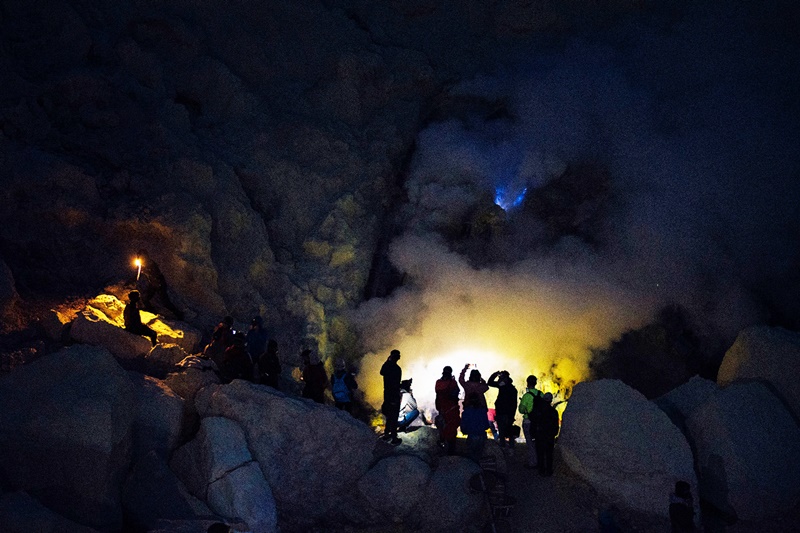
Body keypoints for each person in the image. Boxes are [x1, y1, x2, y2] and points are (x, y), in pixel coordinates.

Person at [518, 375, 544, 469]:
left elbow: (521, 410)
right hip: (539, 422)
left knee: (530, 442)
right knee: (538, 441)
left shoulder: (526, 396)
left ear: (527, 383)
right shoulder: (541, 394)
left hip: (528, 421)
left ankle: (533, 462)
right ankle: (540, 460)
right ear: (536, 383)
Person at [488, 370, 518, 448]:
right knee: (508, 431)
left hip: (503, 413)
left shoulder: (504, 387)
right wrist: (512, 416)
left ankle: (503, 447)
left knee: (502, 431)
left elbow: (490, 382)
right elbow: (514, 404)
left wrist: (495, 374)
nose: (499, 379)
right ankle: (510, 448)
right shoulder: (511, 389)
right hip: (506, 413)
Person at [435, 366, 461, 455]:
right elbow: (455, 394)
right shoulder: (452, 383)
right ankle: (451, 451)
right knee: (451, 428)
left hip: (442, 408)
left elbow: (438, 395)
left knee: (442, 426)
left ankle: (442, 444)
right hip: (451, 409)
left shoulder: (438, 383)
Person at [532, 392, 559, 476]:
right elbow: (555, 424)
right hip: (549, 435)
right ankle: (549, 470)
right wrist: (554, 433)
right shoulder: (553, 411)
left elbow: (534, 422)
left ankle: (541, 471)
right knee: (549, 454)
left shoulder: (537, 410)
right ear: (551, 400)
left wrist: (533, 434)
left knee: (540, 453)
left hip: (539, 434)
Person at [460, 393, 492, 463]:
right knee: (480, 455)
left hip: (472, 435)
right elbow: (486, 425)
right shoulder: (482, 411)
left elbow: (463, 426)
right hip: (482, 435)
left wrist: (465, 431)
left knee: (471, 456)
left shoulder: (466, 412)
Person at [380, 349, 402, 445]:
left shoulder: (387, 367)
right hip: (394, 395)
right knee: (394, 416)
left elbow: (381, 372)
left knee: (389, 415)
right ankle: (394, 437)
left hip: (387, 394)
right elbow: (396, 383)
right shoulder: (397, 369)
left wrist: (387, 361)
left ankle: (386, 434)